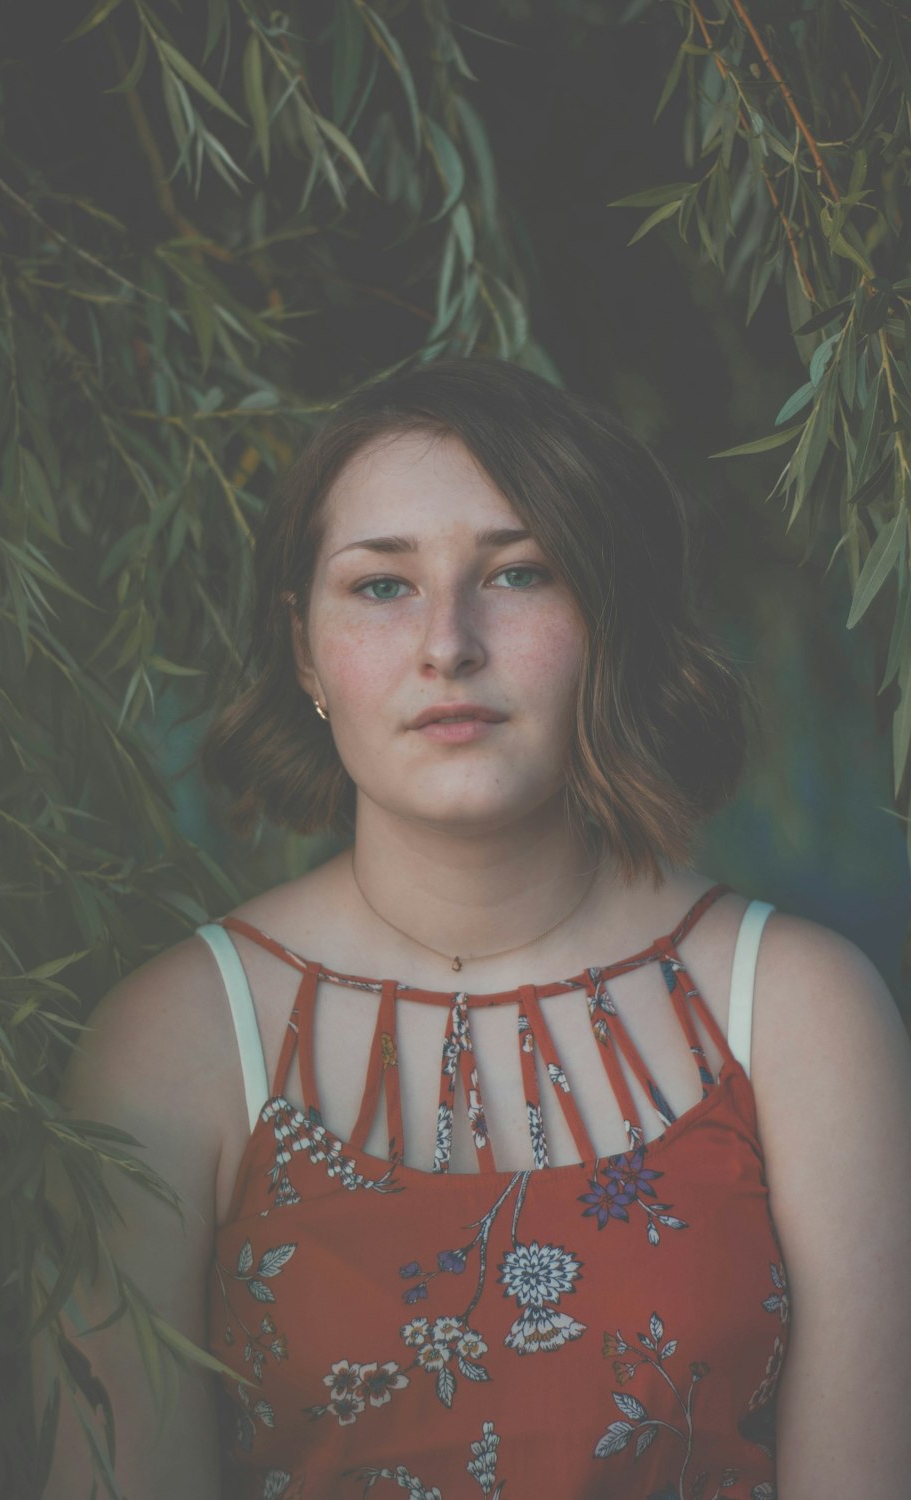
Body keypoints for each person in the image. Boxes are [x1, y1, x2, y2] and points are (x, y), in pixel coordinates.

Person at [46, 358, 911, 1499]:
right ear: (304, 650)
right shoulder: (173, 1041)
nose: (447, 643)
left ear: (613, 621)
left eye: (516, 573)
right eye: (380, 586)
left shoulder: (803, 1014)